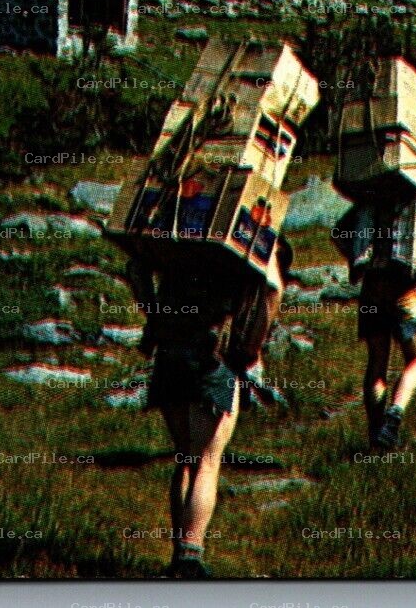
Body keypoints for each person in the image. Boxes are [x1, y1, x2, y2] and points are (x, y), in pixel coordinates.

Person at [124, 237, 291, 578]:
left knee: (185, 458)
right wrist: (251, 348)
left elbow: (135, 266)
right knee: (207, 461)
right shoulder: (252, 236)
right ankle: (191, 557)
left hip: (170, 351)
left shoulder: (180, 238)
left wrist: (154, 315)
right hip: (214, 356)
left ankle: (178, 556)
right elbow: (272, 290)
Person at [334, 181, 416, 449]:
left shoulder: (370, 196)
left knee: (377, 362)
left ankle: (376, 435)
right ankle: (395, 415)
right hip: (404, 288)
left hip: (371, 288)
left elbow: (338, 234)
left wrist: (355, 261)